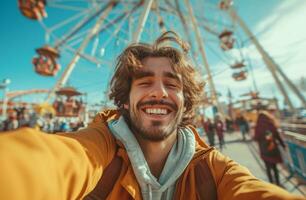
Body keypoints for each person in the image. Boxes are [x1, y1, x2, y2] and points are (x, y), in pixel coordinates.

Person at [0, 31, 303, 200]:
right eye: (145, 82)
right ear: (126, 100)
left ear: (186, 102)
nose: (159, 91)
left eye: (172, 84)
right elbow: (49, 162)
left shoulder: (213, 168)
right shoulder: (98, 150)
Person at [254, 111, 286, 186]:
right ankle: (278, 183)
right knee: (274, 167)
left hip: (264, 149)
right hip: (273, 148)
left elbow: (256, 138)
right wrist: (283, 145)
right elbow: (277, 136)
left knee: (268, 167)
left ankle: (271, 184)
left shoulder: (258, 127)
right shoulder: (270, 124)